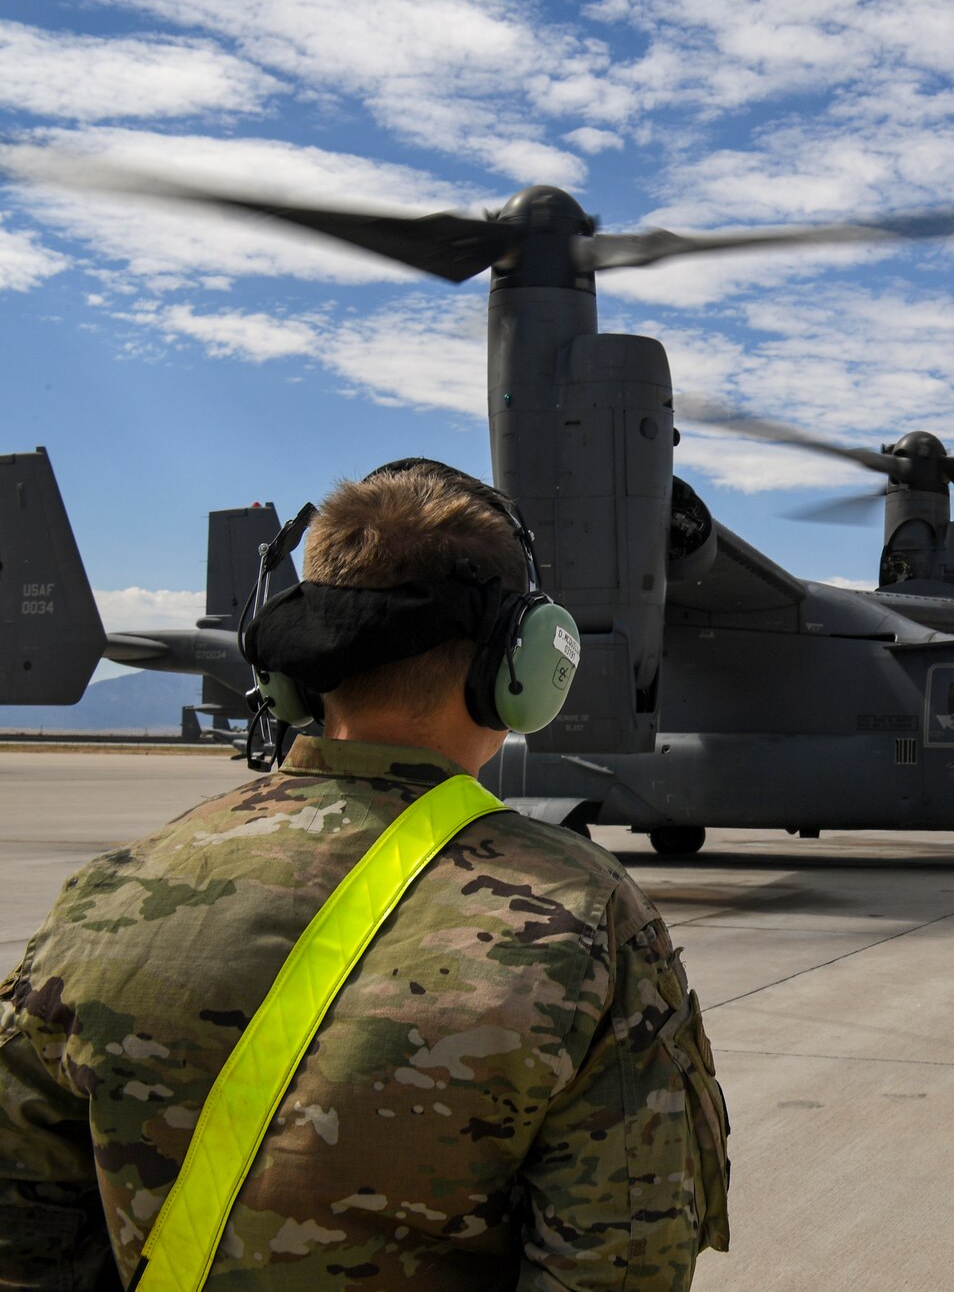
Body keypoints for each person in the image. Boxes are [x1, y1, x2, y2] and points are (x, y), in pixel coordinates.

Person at [0, 460, 728, 1290]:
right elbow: (619, 1264)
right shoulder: (584, 919)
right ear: (517, 664)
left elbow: (22, 1235)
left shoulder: (109, 893)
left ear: (295, 663)